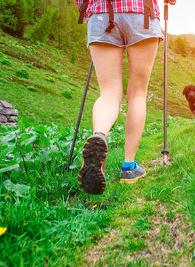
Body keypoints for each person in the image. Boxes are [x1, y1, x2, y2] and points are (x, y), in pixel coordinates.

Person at [76, 0, 167, 194]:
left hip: (100, 12)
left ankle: (99, 135)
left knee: (108, 93)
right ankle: (128, 168)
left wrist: (85, 9)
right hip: (142, 12)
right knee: (137, 94)